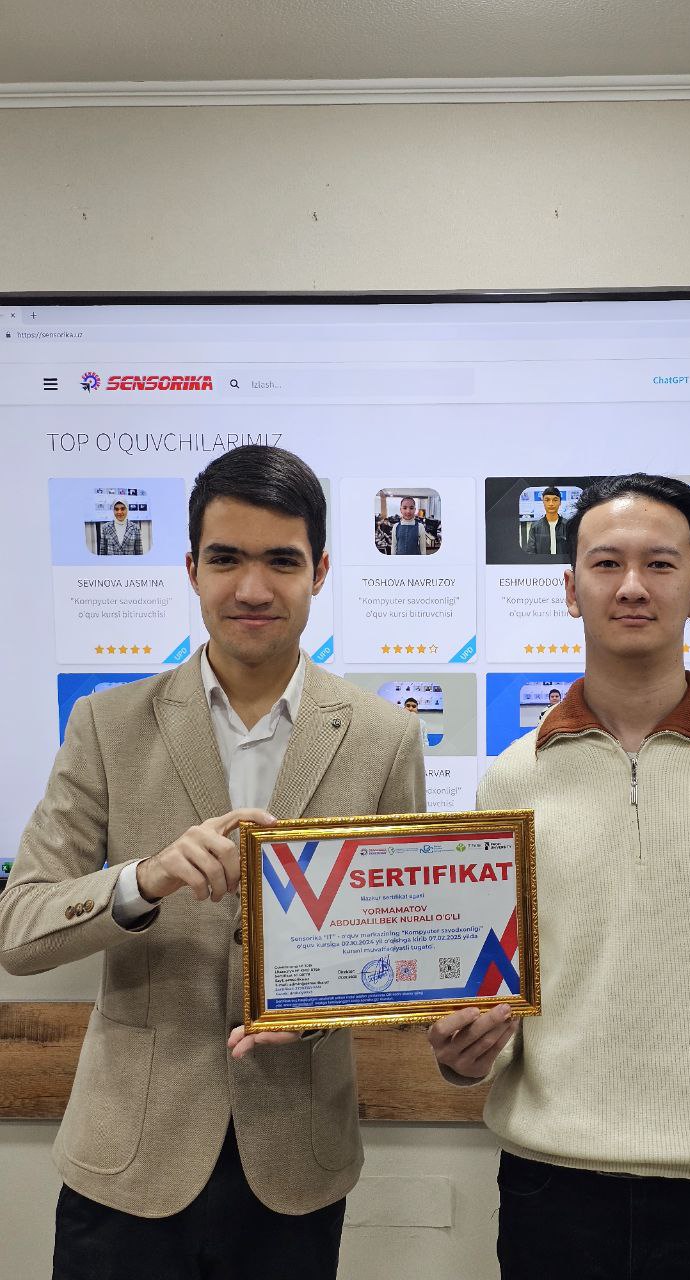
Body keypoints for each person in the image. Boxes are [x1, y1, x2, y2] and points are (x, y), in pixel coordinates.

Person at [0, 445, 424, 1280]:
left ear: (321, 571)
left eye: (282, 561)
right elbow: (18, 929)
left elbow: (405, 948)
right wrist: (144, 879)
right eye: (226, 559)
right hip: (127, 1160)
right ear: (191, 569)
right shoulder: (106, 724)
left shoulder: (386, 736)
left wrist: (329, 1007)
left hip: (297, 1158)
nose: (252, 588)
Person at [429, 473, 690, 1280]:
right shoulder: (510, 781)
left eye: (660, 564)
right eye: (606, 563)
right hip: (552, 1194)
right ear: (570, 589)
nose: (631, 586)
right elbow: (488, 998)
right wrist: (465, 1056)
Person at [525, 484, 568, 558]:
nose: (551, 504)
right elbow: (531, 553)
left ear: (560, 502)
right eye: (547, 500)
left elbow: (573, 550)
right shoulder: (535, 527)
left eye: (555, 500)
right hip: (542, 564)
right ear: (543, 502)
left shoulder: (568, 525)